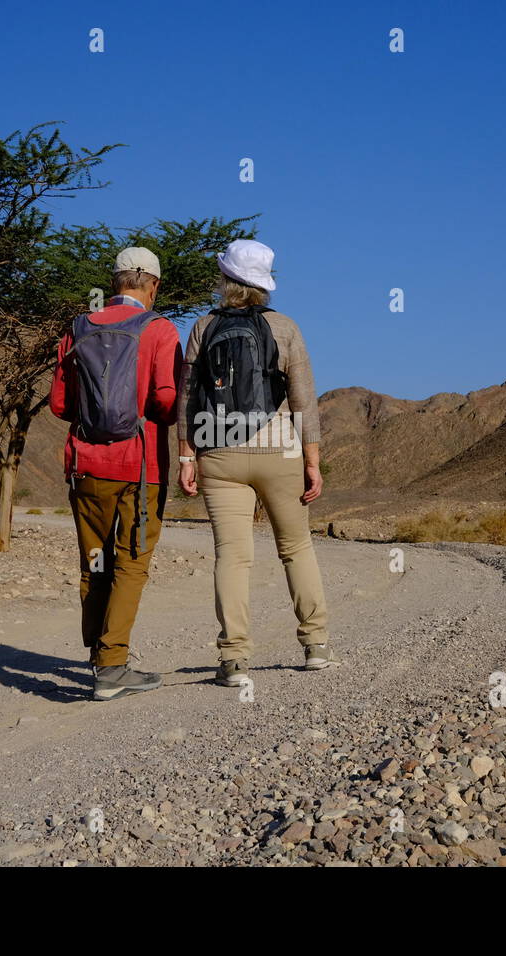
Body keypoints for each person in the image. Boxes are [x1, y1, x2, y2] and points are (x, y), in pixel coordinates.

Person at [177, 239, 332, 687]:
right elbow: (304, 401)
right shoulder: (285, 327)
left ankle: (234, 659)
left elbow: (188, 398)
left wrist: (187, 457)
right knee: (296, 548)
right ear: (264, 285)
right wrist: (313, 461)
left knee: (232, 556)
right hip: (280, 449)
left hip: (218, 450)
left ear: (226, 280)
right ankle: (316, 646)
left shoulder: (203, 326)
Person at [50, 247, 182, 701]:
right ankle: (111, 668)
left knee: (95, 561)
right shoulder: (160, 330)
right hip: (140, 467)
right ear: (153, 285)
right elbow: (166, 402)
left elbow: (59, 405)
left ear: (116, 280)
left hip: (85, 464)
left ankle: (99, 655)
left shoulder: (78, 328)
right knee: (131, 563)